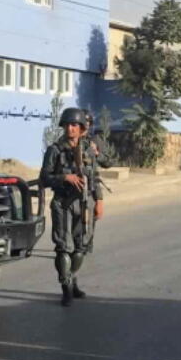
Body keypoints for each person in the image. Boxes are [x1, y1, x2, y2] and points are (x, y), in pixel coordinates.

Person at [40, 107, 104, 307]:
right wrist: (64, 177)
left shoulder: (88, 149)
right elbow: (44, 177)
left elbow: (95, 176)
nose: (71, 129)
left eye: (75, 125)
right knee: (64, 247)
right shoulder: (55, 150)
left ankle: (72, 278)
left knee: (81, 246)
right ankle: (66, 285)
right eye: (68, 125)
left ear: (82, 128)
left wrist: (99, 200)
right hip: (63, 203)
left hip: (84, 202)